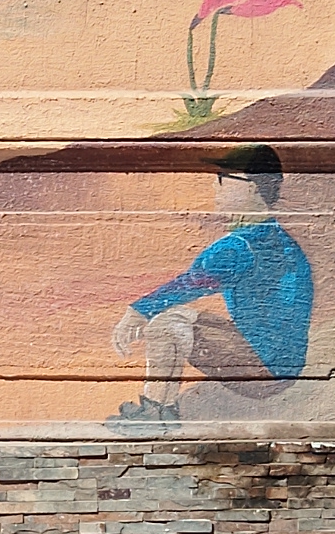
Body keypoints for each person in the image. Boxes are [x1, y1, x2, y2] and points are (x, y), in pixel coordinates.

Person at [110, 143, 312, 430]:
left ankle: (156, 413)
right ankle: (160, 411)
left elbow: (188, 284)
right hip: (281, 362)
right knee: (175, 317)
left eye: (223, 179)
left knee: (165, 325)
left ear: (252, 189)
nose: (216, 188)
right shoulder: (274, 237)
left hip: (265, 371)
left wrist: (136, 312)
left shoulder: (240, 246)